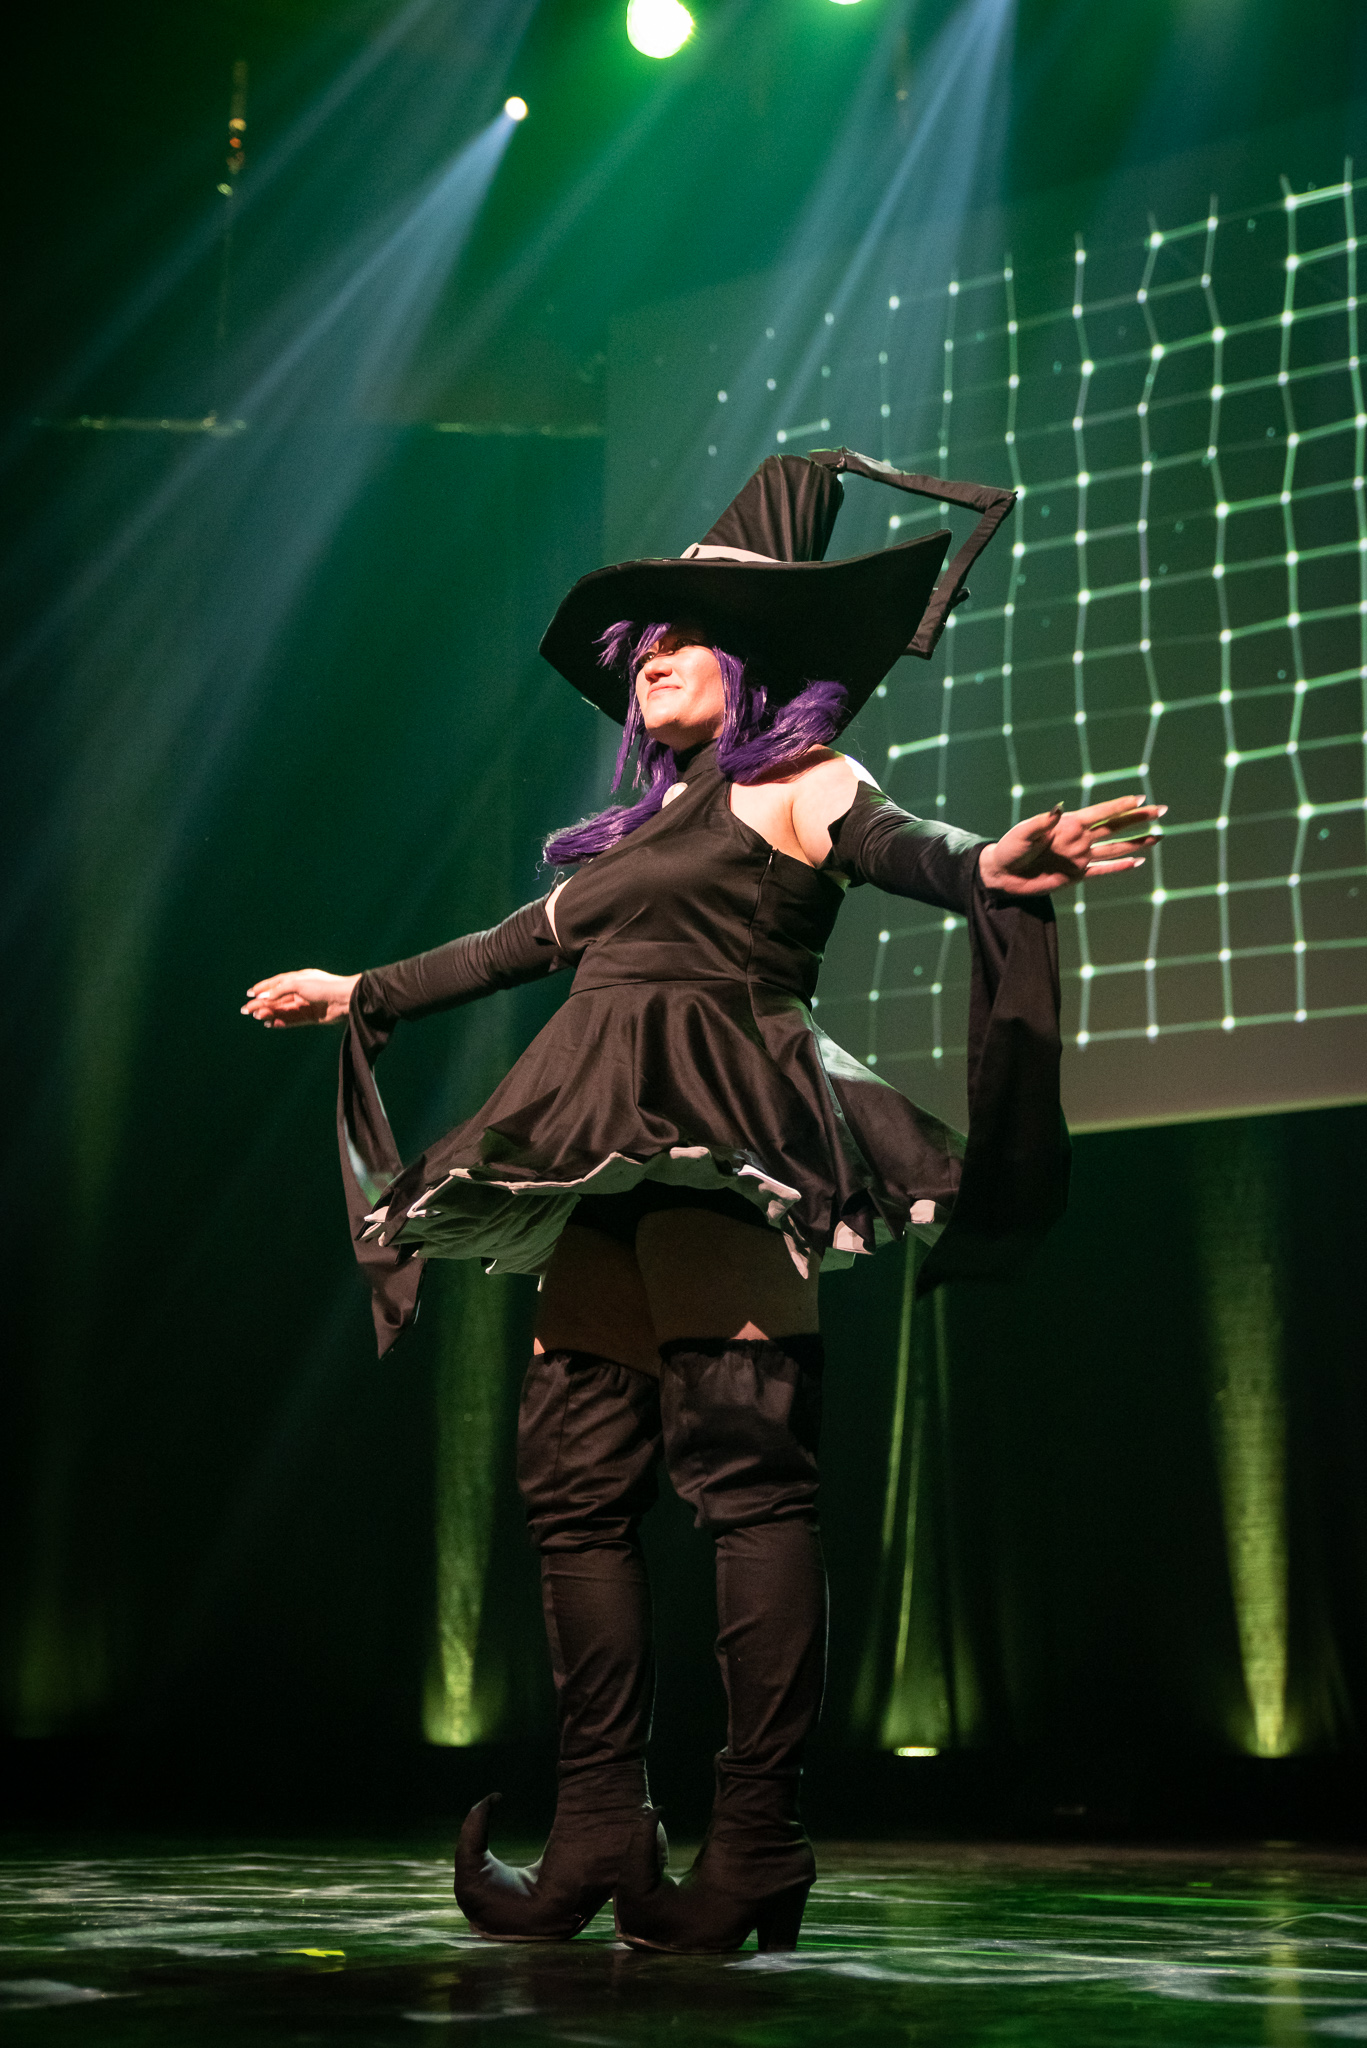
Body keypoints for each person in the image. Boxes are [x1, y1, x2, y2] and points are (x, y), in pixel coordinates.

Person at [242, 451, 1162, 1953]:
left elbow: (914, 853)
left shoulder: (801, 781)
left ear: (759, 664)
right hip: (591, 1140)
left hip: (727, 1129)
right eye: (643, 640)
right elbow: (507, 948)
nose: (650, 653)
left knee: (746, 1476)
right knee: (573, 1488)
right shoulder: (630, 837)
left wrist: (997, 859)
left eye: (686, 634)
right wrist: (360, 988)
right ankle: (602, 1827)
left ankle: (757, 1841)